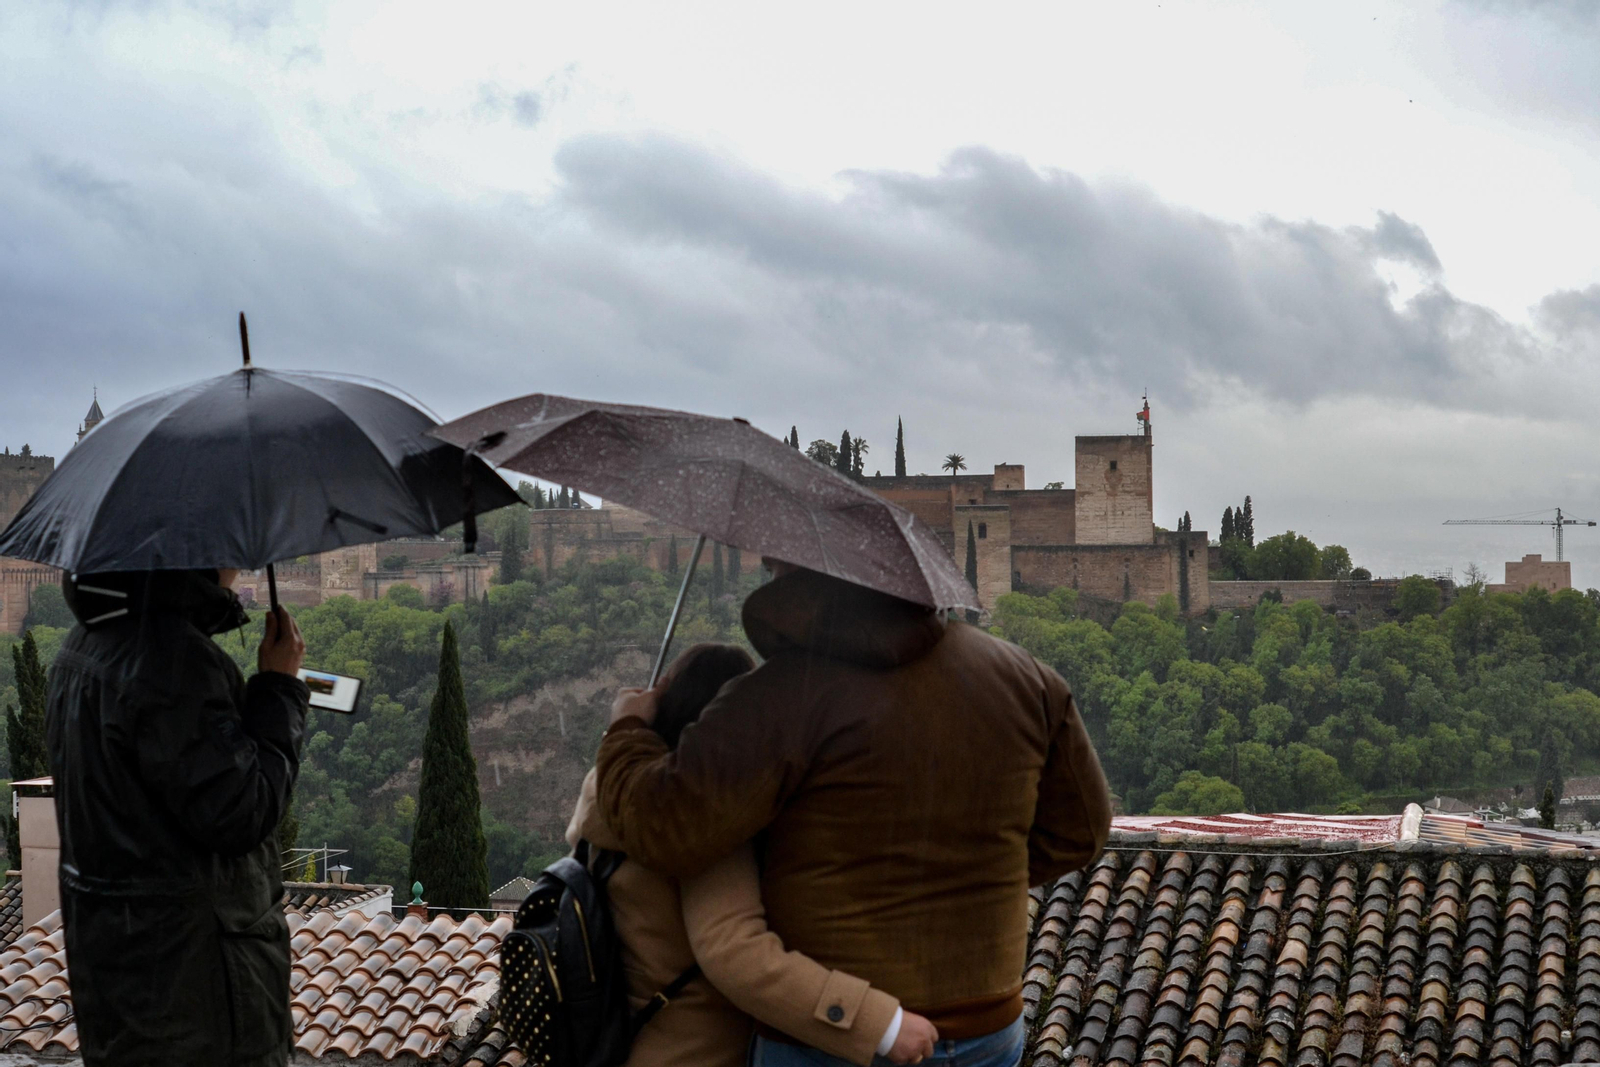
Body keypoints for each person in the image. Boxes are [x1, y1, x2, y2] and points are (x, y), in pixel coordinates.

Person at [597, 564, 1113, 1067]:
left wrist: (627, 733)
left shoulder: (775, 696)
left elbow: (663, 829)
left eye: (776, 565)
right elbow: (1082, 832)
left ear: (799, 581)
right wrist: (968, 870)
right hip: (988, 1026)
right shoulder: (1029, 679)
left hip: (830, 1039)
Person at [567, 642, 938, 1067]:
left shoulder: (608, 791)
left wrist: (630, 724)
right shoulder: (702, 819)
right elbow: (734, 952)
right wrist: (880, 1026)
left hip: (624, 1045)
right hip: (696, 1055)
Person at [47, 569, 309, 1067]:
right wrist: (279, 689)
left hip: (120, 978)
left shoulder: (81, 647)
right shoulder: (174, 663)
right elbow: (242, 811)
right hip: (197, 990)